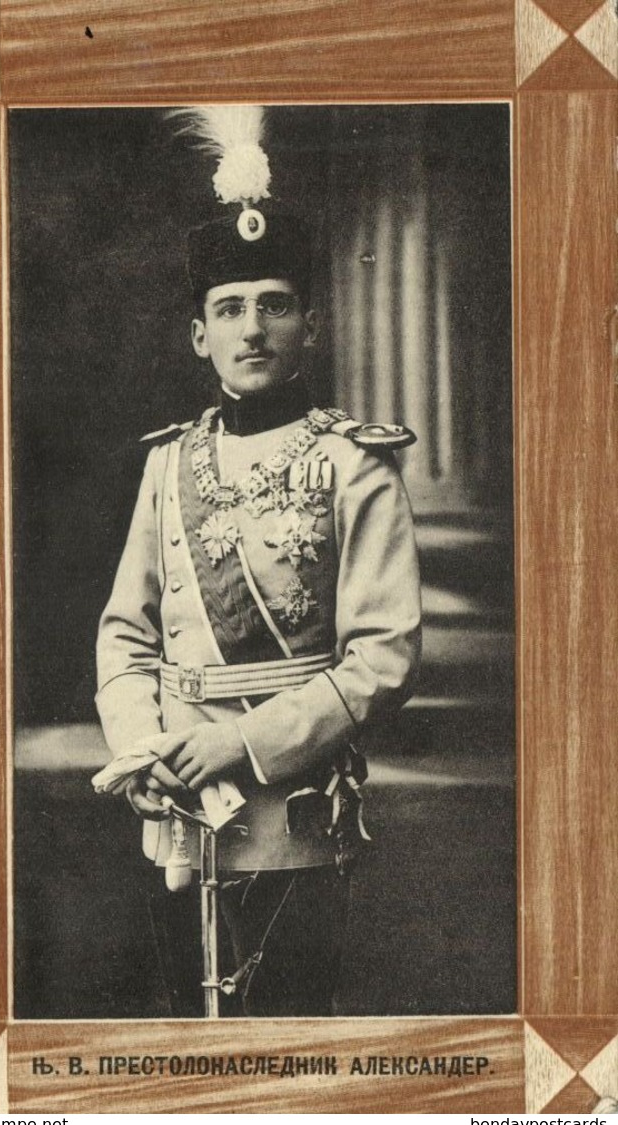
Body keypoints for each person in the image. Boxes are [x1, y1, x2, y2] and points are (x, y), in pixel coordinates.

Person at [92, 107, 422, 1017]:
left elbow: (382, 658)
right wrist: (137, 745)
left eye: (273, 304)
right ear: (199, 334)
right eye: (228, 309)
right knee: (189, 1037)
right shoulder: (168, 463)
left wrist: (236, 742)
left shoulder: (355, 463)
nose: (252, 329)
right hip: (175, 806)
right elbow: (125, 630)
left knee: (287, 1033)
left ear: (308, 324)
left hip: (292, 809)